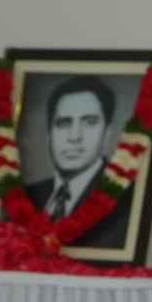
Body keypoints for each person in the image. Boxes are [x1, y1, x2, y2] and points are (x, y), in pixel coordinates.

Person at [21, 75, 133, 249]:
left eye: (89, 122)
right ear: (49, 135)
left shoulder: (128, 204)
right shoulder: (27, 195)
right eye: (63, 123)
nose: (74, 136)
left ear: (107, 134)